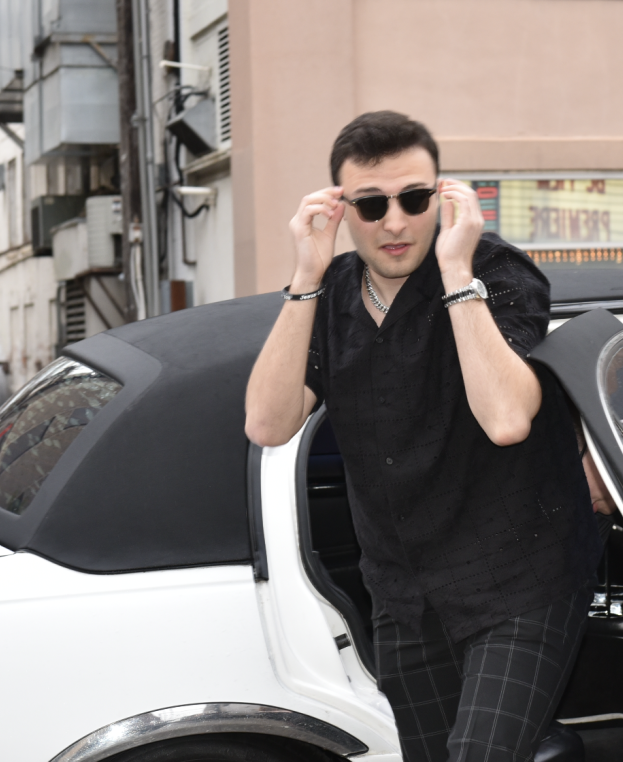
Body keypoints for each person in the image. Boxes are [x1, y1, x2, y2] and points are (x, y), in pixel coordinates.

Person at [244, 111, 602, 762]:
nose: (395, 222)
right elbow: (268, 423)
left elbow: (506, 417)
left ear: (441, 194)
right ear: (340, 208)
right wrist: (304, 277)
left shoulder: (498, 273)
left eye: (414, 199)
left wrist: (456, 272)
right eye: (372, 204)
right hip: (404, 595)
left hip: (518, 581)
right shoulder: (327, 300)